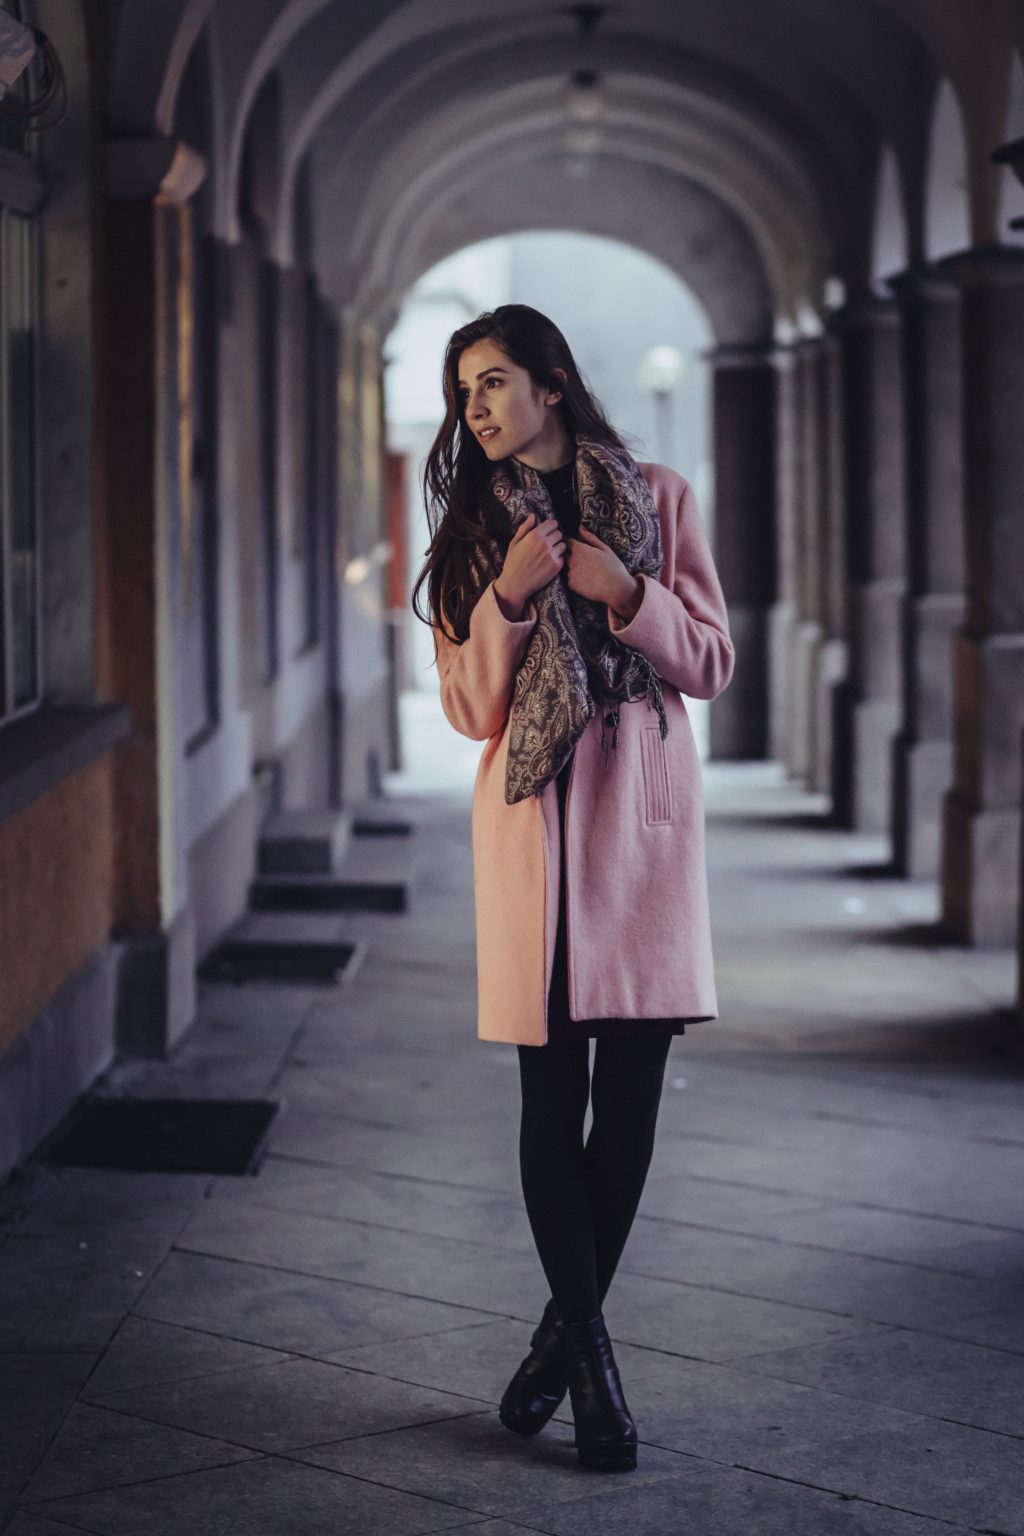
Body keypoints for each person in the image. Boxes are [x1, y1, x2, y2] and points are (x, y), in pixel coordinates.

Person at [412, 304, 734, 1472]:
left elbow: (710, 659)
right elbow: (466, 711)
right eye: (463, 393)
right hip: (537, 839)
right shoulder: (471, 533)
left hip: (640, 836)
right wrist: (505, 595)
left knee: (631, 1109)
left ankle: (557, 1339)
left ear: (552, 382)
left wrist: (624, 592)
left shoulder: (659, 495)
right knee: (550, 1106)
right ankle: (592, 1362)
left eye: (492, 382)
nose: (477, 408)